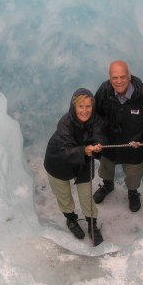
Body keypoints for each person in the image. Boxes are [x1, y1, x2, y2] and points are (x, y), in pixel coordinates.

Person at [93, 60, 143, 212]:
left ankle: (133, 192)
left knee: (133, 173)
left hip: (134, 147)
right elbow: (95, 117)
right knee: (106, 167)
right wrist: (95, 140)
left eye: (122, 77)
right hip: (109, 143)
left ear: (129, 76)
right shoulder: (104, 91)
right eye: (114, 78)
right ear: (110, 79)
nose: (118, 81)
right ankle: (107, 185)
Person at [44, 88, 106, 246]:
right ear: (73, 107)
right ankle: (71, 220)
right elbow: (65, 150)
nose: (84, 111)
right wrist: (84, 150)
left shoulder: (96, 120)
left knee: (86, 196)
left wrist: (98, 146)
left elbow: (99, 136)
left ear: (93, 107)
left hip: (83, 161)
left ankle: (92, 224)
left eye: (88, 106)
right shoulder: (65, 123)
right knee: (64, 196)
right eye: (80, 106)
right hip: (58, 162)